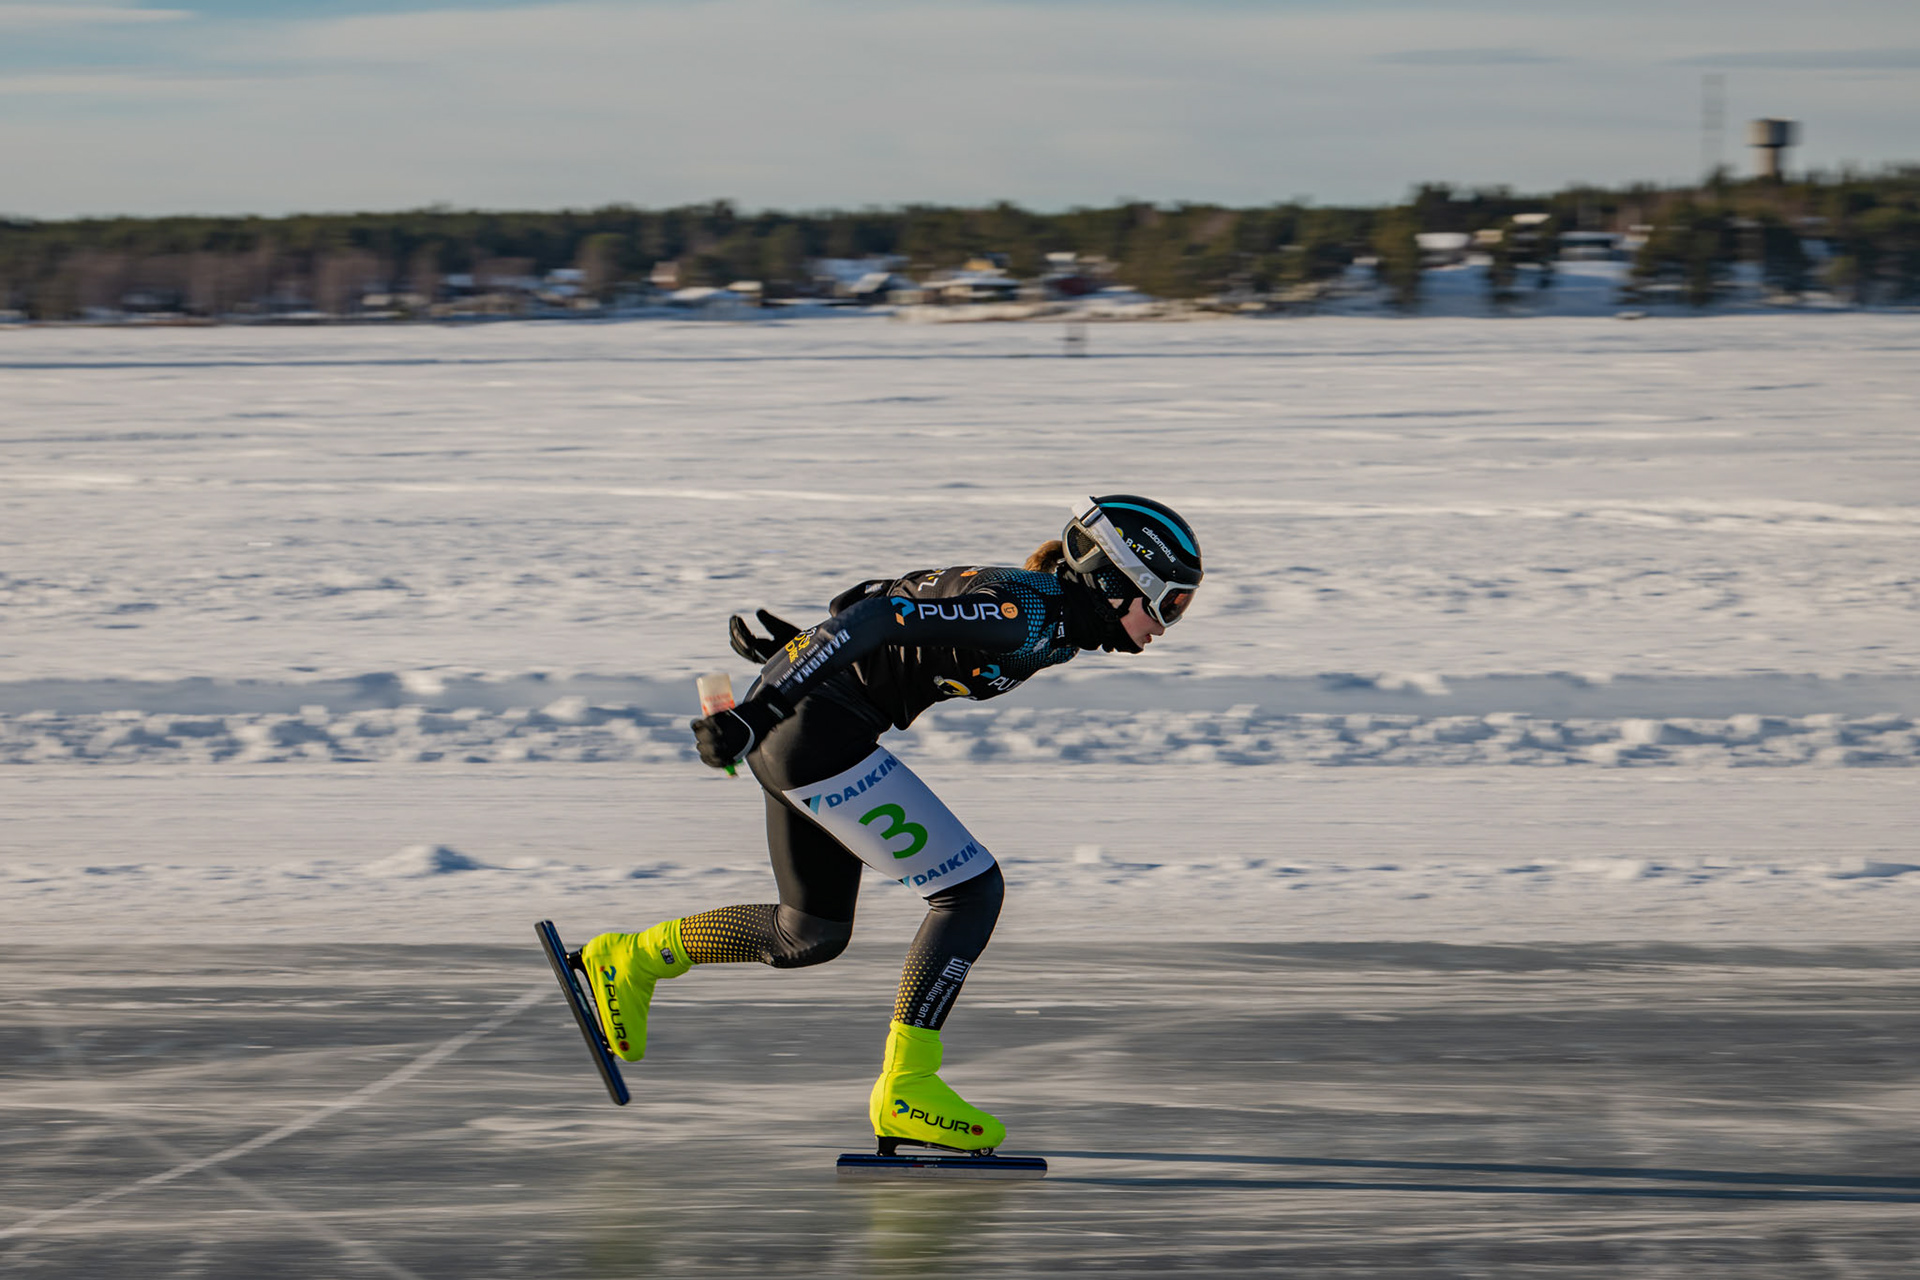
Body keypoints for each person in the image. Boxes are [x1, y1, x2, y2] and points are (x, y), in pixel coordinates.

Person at [577, 495, 1202, 1153]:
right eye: (1168, 604)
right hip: (811, 738)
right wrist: (762, 709)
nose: (1168, 624)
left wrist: (793, 653)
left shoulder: (1044, 613)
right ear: (1114, 582)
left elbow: (870, 599)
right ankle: (907, 1087)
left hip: (809, 729)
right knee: (970, 889)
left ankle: (629, 959)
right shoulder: (1027, 616)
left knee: (808, 934)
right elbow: (876, 616)